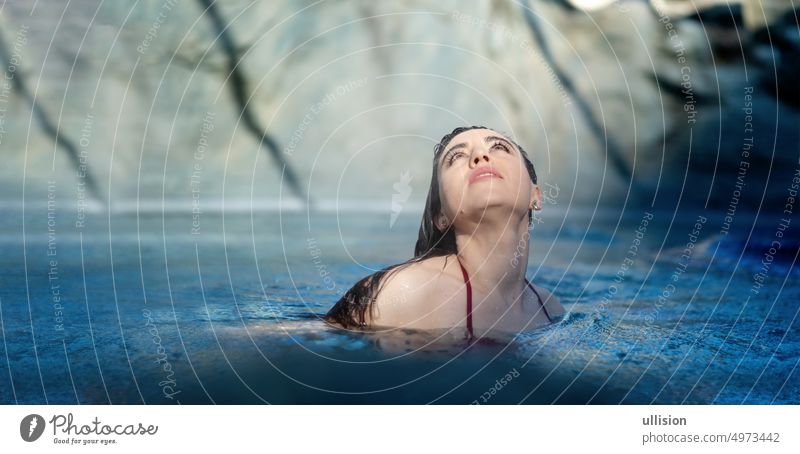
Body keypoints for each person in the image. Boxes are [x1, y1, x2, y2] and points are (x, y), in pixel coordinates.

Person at [324, 126, 564, 342]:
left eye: (499, 147)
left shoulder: (549, 309)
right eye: (457, 156)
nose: (480, 157)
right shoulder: (404, 293)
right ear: (441, 216)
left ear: (536, 195)